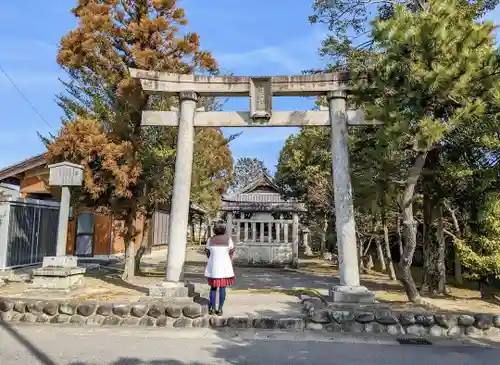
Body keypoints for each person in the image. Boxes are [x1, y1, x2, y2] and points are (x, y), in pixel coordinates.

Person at [204, 220, 235, 316]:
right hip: (225, 268)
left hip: (213, 268)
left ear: (214, 229)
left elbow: (208, 253)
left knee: (213, 288)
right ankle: (220, 309)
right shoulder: (228, 240)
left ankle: (212, 309)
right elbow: (231, 252)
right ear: (224, 228)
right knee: (222, 288)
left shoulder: (210, 240)